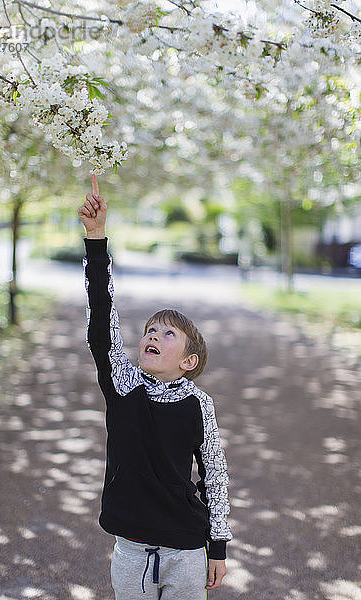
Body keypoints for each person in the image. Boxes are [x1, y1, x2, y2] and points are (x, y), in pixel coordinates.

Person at [78, 176, 233, 599]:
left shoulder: (199, 404)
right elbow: (102, 319)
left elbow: (214, 474)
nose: (153, 336)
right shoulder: (124, 386)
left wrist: (217, 547)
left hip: (187, 548)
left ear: (189, 362)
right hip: (130, 548)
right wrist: (96, 239)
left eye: (167, 334)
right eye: (150, 330)